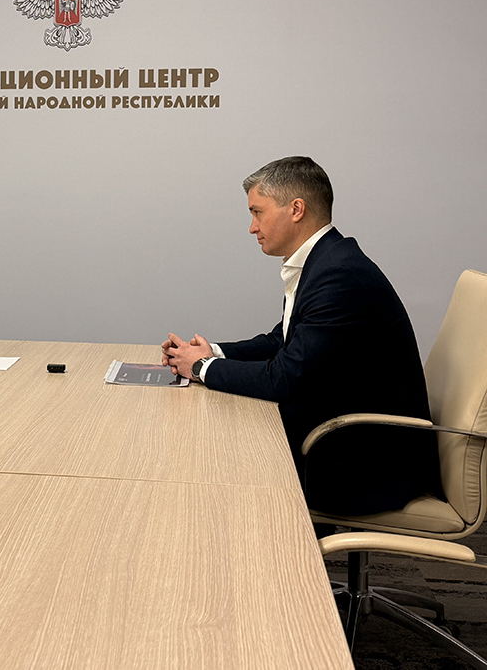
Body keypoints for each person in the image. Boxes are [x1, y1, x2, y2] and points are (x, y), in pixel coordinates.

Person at [162, 156, 440, 516]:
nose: (252, 227)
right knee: (221, 433)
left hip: (368, 463)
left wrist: (200, 367)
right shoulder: (326, 260)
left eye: (257, 212)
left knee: (217, 453)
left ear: (296, 209)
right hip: (339, 433)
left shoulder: (338, 275)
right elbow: (282, 340)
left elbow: (284, 378)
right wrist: (213, 353)